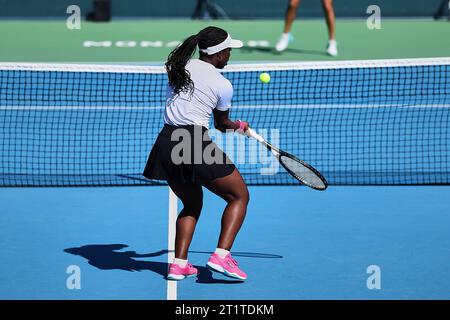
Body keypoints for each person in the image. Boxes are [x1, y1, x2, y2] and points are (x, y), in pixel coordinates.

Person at [143, 26, 250, 281]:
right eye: (229, 50)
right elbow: (222, 125)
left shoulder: (180, 67)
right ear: (219, 53)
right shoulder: (222, 84)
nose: (230, 55)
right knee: (239, 196)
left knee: (192, 203)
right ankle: (222, 256)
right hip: (191, 143)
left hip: (166, 144)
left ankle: (179, 264)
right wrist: (239, 127)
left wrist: (233, 126)